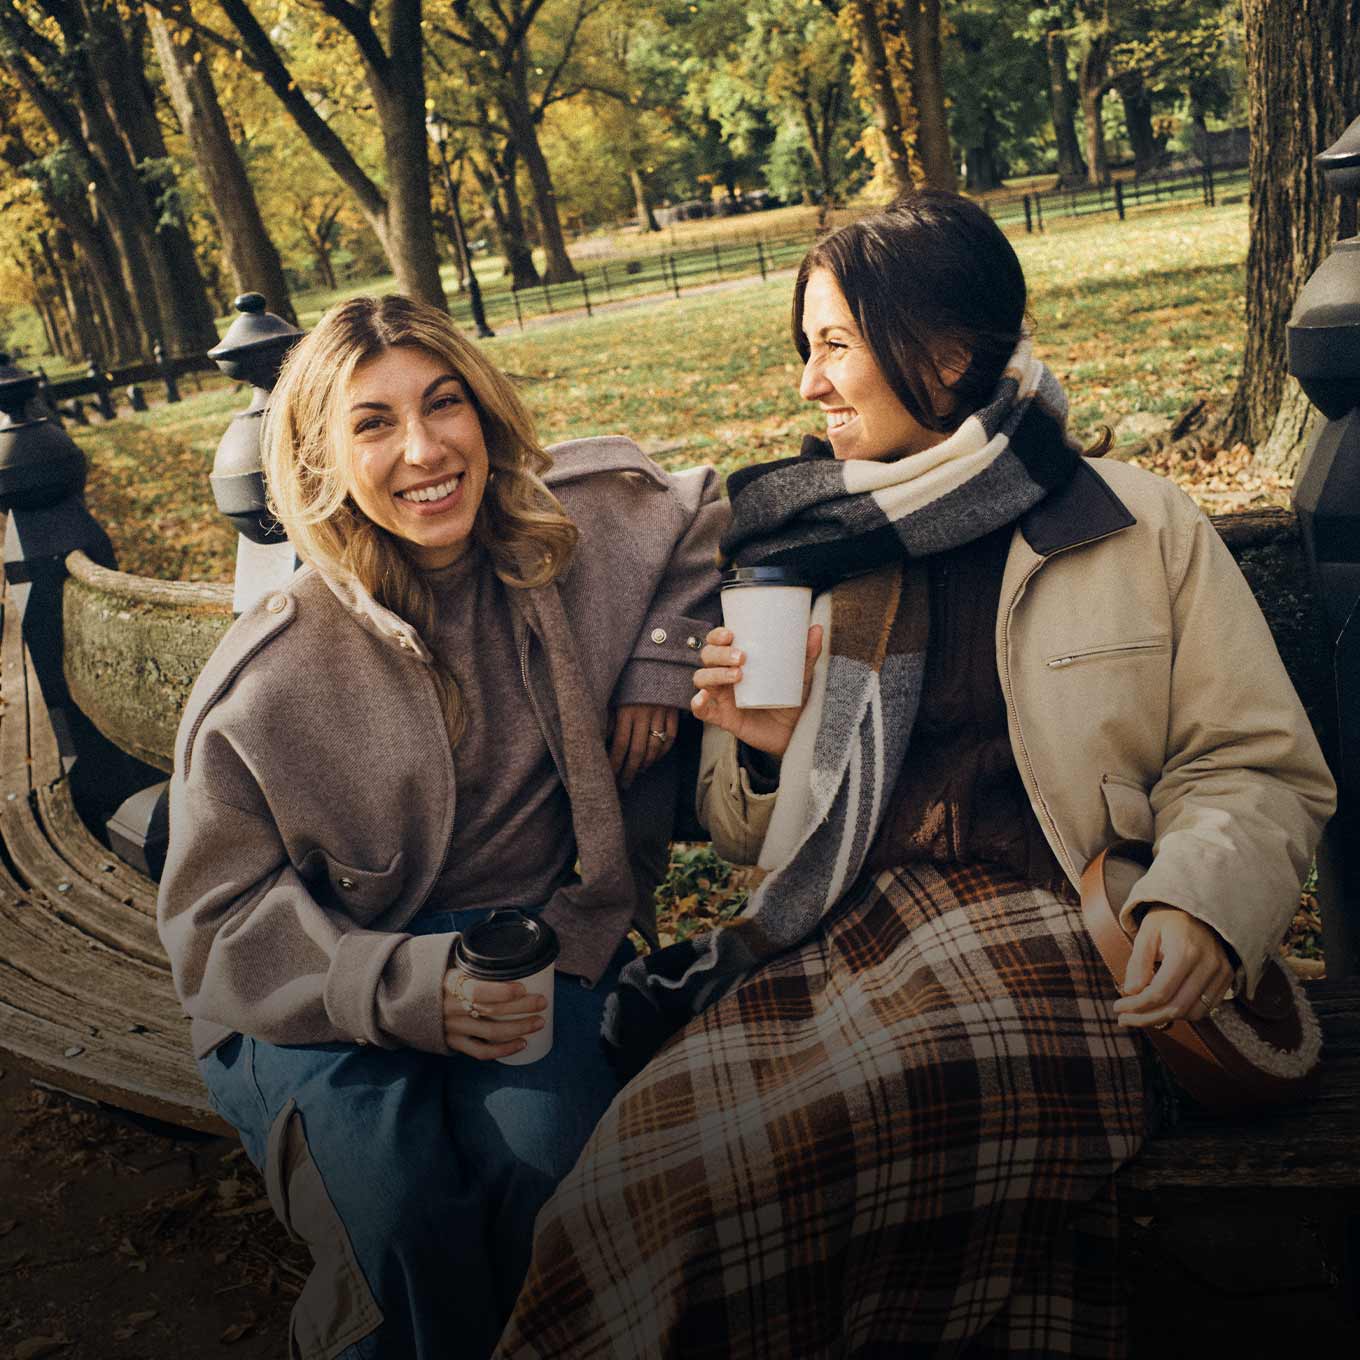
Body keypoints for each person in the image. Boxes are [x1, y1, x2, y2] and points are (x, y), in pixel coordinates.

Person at [495, 192, 1336, 1358]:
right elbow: (753, 842)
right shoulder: (808, 545)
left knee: (759, 1181)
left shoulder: (1131, 524)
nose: (807, 382)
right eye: (806, 348)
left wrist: (1199, 899)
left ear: (944, 355)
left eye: (833, 345)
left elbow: (1250, 761)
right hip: (835, 935)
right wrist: (765, 744)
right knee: (618, 1192)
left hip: (1066, 934)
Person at [156, 294, 726, 1358]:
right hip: (316, 987)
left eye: (442, 404)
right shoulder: (267, 678)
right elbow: (213, 923)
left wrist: (658, 657)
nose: (423, 450)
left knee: (557, 1176)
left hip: (529, 950)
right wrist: (408, 989)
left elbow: (699, 507)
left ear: (484, 409)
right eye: (372, 423)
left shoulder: (574, 533)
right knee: (405, 1220)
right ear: (320, 457)